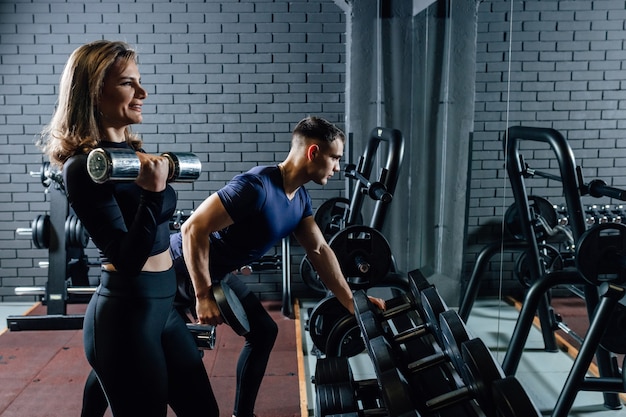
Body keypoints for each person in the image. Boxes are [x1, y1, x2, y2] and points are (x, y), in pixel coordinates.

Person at [37, 40, 217, 417]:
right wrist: (153, 195)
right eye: (127, 84)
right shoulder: (84, 167)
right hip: (125, 317)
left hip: (165, 308)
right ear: (93, 92)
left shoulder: (134, 156)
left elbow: (158, 235)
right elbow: (128, 258)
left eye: (139, 82)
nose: (142, 93)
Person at [180, 115, 386, 417]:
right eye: (335, 158)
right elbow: (192, 229)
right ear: (313, 153)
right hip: (177, 272)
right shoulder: (255, 186)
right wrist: (203, 296)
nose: (338, 167)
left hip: (218, 273)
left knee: (264, 332)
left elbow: (319, 250)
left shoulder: (300, 198)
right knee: (139, 355)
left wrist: (353, 302)